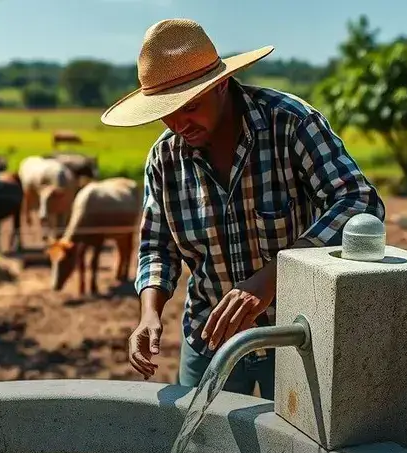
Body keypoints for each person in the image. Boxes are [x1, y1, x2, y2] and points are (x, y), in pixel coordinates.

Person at [101, 18, 386, 398]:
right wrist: (149, 314)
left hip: (293, 337)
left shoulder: (290, 123)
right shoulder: (164, 158)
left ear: (220, 84)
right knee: (201, 451)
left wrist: (271, 279)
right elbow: (157, 246)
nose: (177, 122)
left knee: (298, 451)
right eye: (165, 111)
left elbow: (358, 201)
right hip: (209, 338)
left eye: (190, 106)